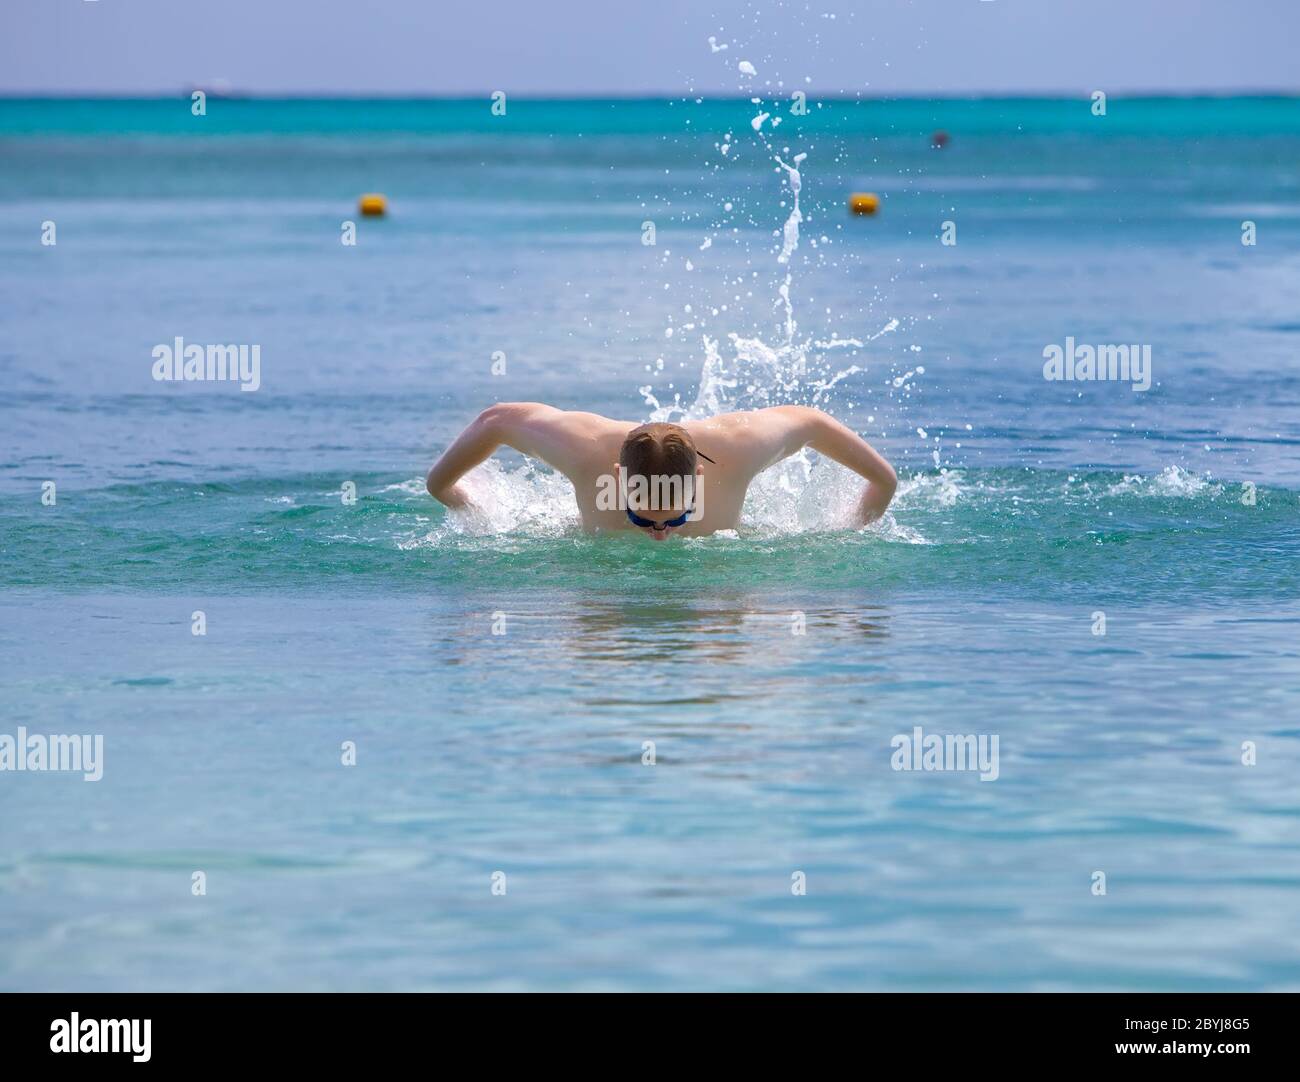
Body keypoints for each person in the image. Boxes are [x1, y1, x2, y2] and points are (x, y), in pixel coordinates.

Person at [426, 403, 897, 540]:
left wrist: (852, 531)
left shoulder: (740, 448)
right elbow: (496, 420)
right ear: (616, 476)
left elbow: (882, 478)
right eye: (640, 518)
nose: (659, 536)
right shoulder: (582, 451)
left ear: (696, 481)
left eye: (674, 519)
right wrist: (454, 495)